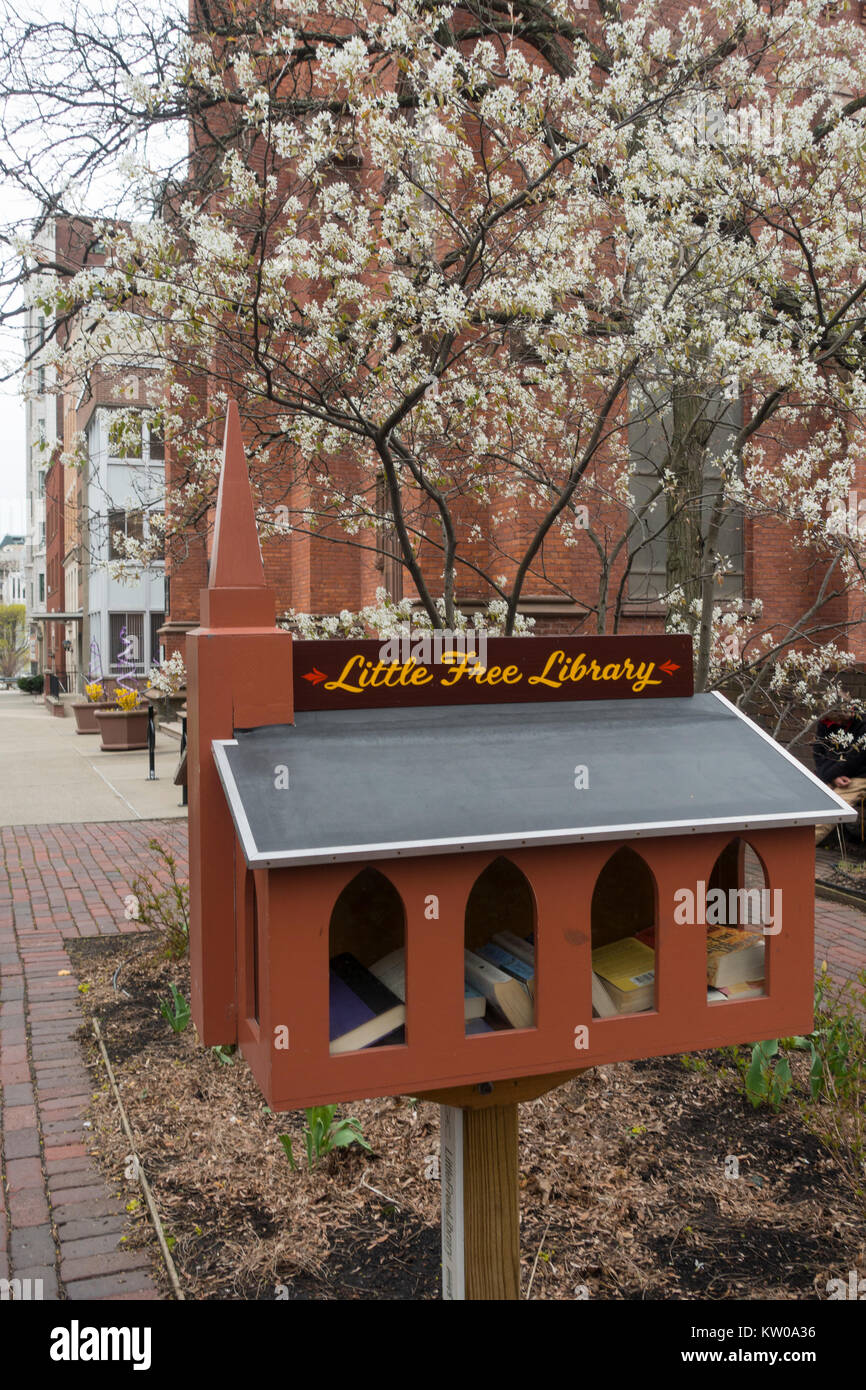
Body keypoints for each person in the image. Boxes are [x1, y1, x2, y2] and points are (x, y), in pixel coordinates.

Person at [812, 709, 866, 845]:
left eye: (844, 721)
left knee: (836, 804)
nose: (841, 724)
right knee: (812, 796)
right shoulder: (825, 723)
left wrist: (828, 776)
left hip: (860, 775)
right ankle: (789, 840)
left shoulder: (863, 723)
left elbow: (854, 760)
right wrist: (832, 778)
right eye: (838, 721)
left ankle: (800, 848)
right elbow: (818, 754)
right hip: (834, 773)